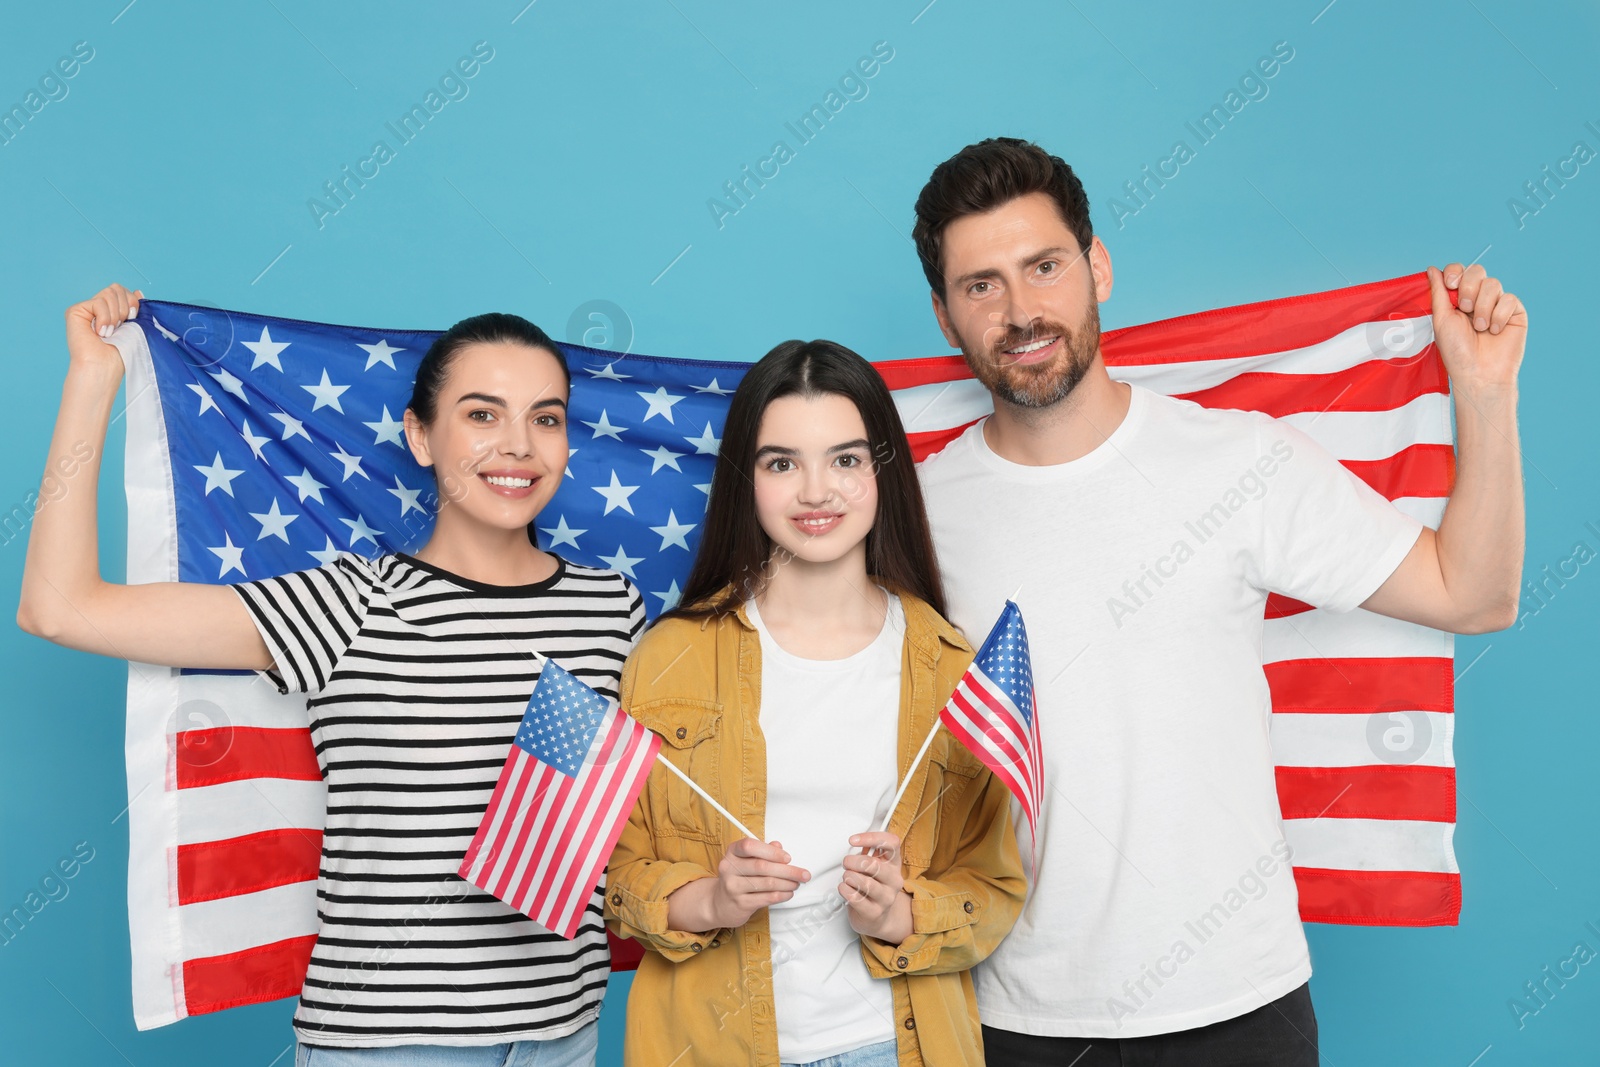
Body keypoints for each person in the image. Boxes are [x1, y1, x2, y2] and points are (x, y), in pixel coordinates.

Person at [908, 139, 1527, 1065]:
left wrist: (1483, 391)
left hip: (1241, 1008)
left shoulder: (1241, 461)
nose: (1022, 310)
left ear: (1098, 267)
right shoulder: (915, 516)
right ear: (945, 314)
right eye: (982, 285)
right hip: (1013, 1016)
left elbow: (1472, 594)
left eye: (1044, 266)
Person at [17, 284, 646, 1066]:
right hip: (386, 1045)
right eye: (482, 414)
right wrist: (92, 379)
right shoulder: (348, 602)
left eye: (545, 418)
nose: (517, 444)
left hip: (563, 1033)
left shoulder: (610, 606)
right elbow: (59, 607)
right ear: (420, 436)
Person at [604, 339, 1026, 1067]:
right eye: (781, 463)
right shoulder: (668, 657)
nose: (815, 491)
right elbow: (618, 872)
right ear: (747, 478)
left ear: (882, 471)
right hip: (710, 1045)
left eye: (846, 459)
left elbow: (991, 888)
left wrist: (901, 912)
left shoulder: (953, 667)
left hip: (900, 1045)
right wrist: (710, 899)